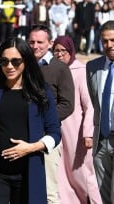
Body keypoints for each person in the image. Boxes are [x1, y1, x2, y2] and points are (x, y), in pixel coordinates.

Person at [0, 37, 61, 204]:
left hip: (29, 173)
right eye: (4, 61)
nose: (9, 66)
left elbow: (55, 132)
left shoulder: (41, 92)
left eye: (15, 61)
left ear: (26, 61)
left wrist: (31, 147)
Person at [28, 24, 74, 204]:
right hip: (24, 136)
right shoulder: (22, 65)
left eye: (40, 42)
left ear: (50, 43)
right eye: (31, 42)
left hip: (48, 138)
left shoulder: (60, 69)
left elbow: (67, 104)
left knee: (48, 193)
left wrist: (44, 121)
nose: (35, 46)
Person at [53, 36, 102, 204]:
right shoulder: (54, 71)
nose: (59, 54)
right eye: (56, 51)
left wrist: (88, 133)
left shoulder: (81, 71)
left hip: (78, 133)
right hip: (60, 133)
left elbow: (90, 105)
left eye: (63, 51)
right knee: (63, 177)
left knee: (84, 175)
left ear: (71, 51)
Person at [86, 20, 114, 204]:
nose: (109, 45)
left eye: (113, 40)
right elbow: (92, 102)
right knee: (104, 196)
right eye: (105, 41)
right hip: (101, 141)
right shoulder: (92, 67)